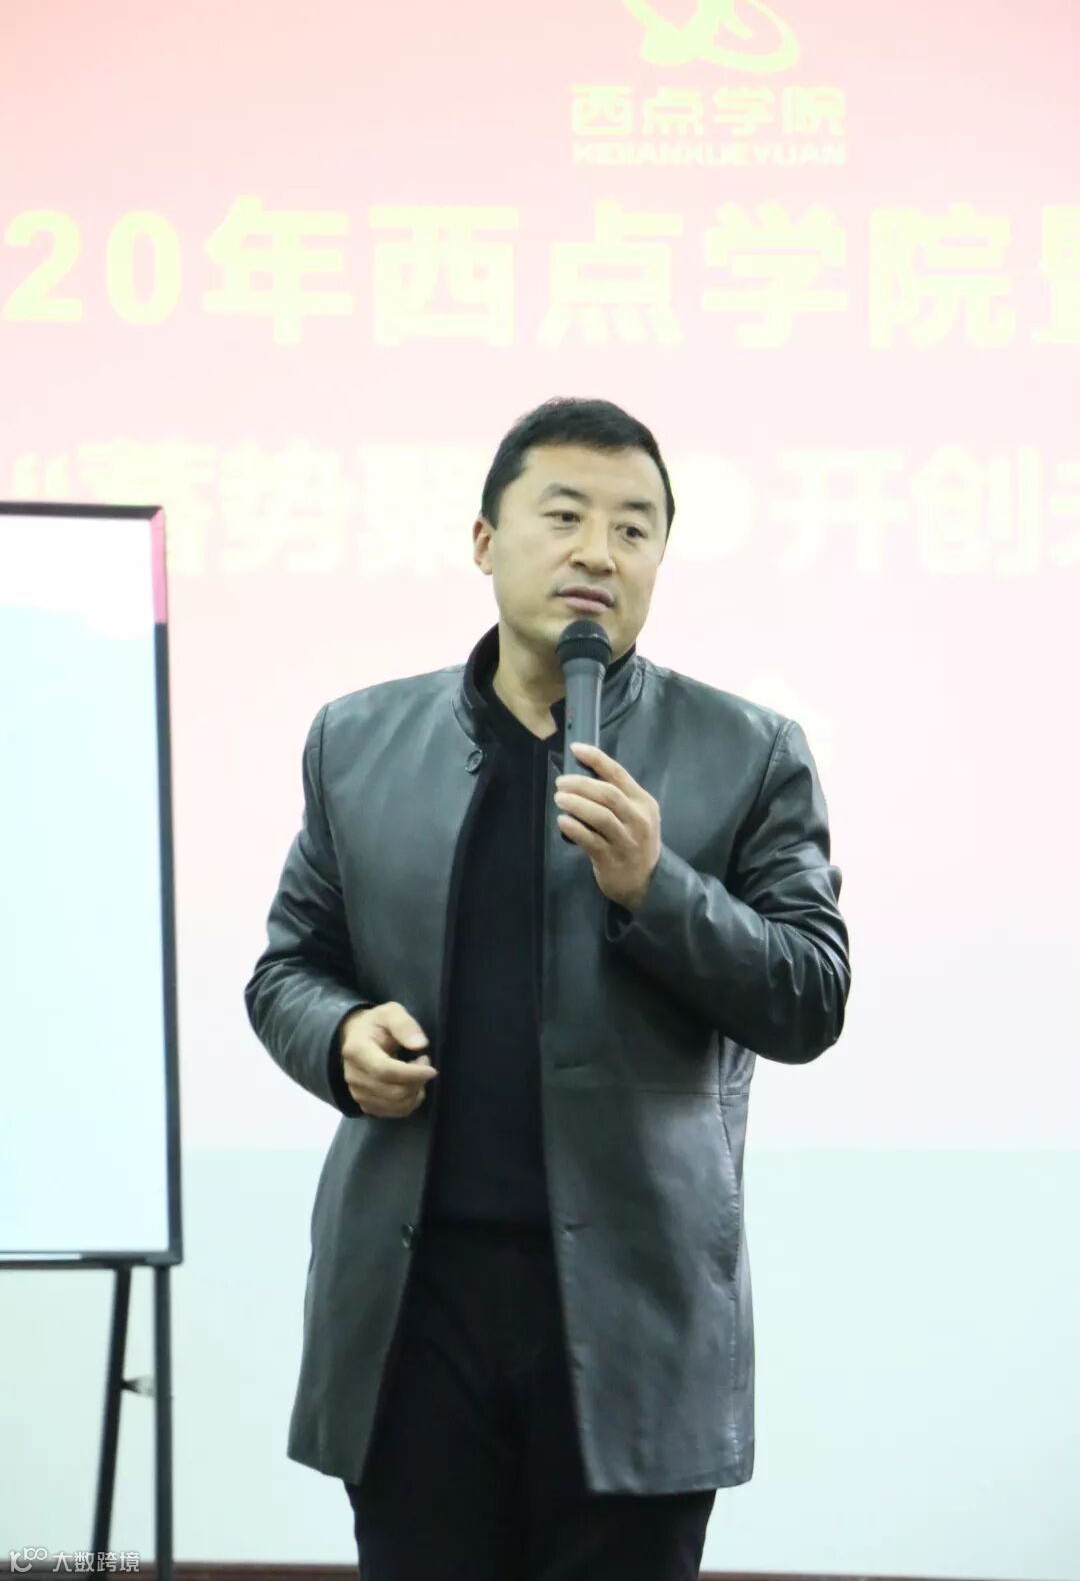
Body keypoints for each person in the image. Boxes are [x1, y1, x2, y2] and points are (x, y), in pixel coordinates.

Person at [244, 396, 851, 1580]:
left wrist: (656, 886)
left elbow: (810, 996)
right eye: (564, 516)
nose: (598, 553)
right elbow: (287, 969)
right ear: (485, 541)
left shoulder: (750, 753)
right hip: (416, 1316)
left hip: (633, 1325)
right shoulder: (357, 742)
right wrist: (339, 1036)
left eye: (634, 529)